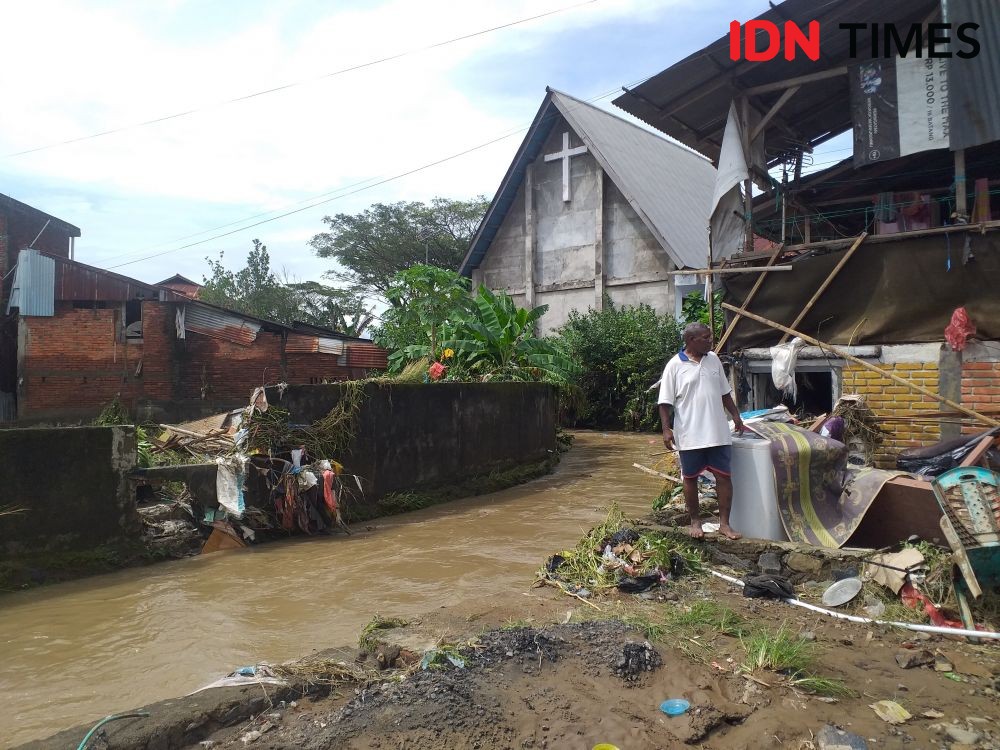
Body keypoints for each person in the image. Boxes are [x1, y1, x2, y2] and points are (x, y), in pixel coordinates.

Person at [658, 322, 744, 539]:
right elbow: (664, 402)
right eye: (705, 338)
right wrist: (666, 430)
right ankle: (695, 522)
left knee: (723, 477)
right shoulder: (674, 366)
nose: (710, 341)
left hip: (717, 433)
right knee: (690, 478)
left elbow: (725, 392)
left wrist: (736, 416)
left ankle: (724, 524)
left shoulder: (713, 359)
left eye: (710, 337)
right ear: (690, 341)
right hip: (690, 435)